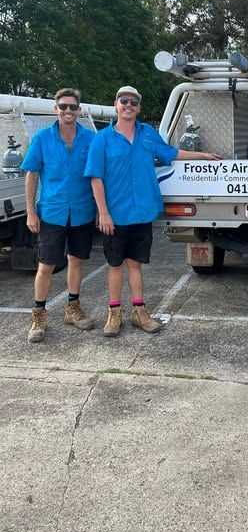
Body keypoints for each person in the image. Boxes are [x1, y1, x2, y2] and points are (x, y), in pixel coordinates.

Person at [85, 86, 222, 337]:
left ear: (139, 108)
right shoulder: (102, 139)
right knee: (115, 265)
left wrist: (201, 155)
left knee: (135, 264)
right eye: (124, 101)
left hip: (142, 212)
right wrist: (103, 212)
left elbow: (171, 153)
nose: (128, 105)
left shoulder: (148, 134)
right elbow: (96, 178)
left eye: (134, 102)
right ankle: (114, 313)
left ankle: (139, 312)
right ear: (116, 104)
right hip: (115, 215)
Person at [22, 88, 97, 343]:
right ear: (56, 109)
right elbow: (31, 175)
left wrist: (100, 210)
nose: (68, 111)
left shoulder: (89, 139)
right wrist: (31, 212)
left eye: (72, 107)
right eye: (63, 106)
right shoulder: (42, 139)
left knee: (76, 261)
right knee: (46, 266)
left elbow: (99, 176)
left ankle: (72, 309)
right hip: (52, 213)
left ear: (79, 110)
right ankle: (39, 315)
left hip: (82, 211)